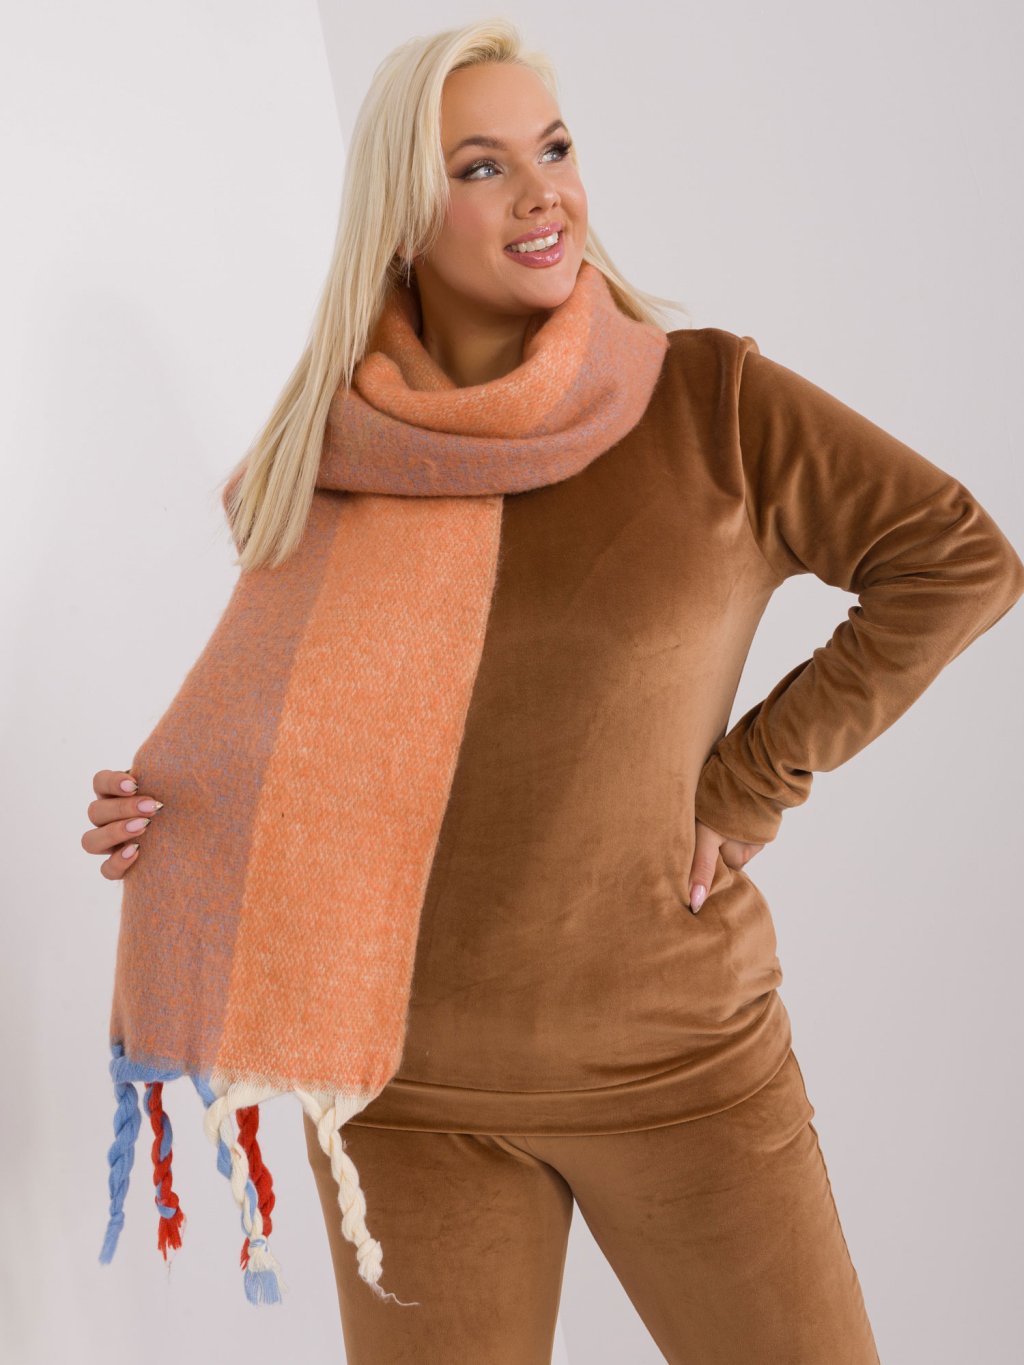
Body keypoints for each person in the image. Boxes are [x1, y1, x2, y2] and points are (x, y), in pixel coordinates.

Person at [82, 18, 1024, 1364]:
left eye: (557, 149)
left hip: (681, 1065)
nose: (543, 194)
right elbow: (306, 744)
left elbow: (960, 559)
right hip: (407, 1096)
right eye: (482, 167)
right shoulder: (340, 453)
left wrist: (752, 780)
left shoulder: (710, 404)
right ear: (403, 217)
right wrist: (173, 820)